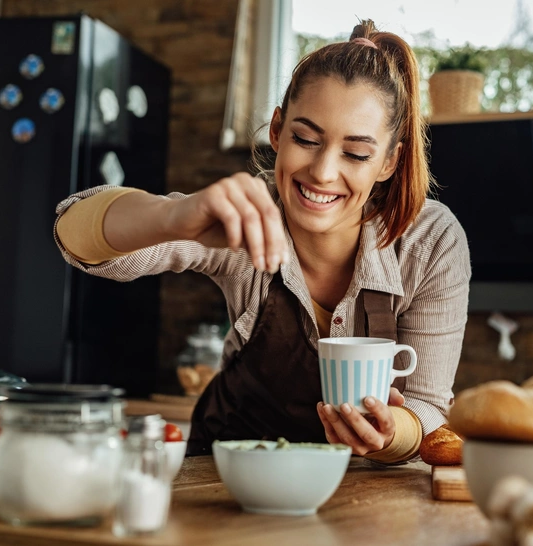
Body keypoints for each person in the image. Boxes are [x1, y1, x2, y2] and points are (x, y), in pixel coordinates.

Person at [54, 19, 471, 464]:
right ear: (277, 130)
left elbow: (427, 408)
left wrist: (391, 436)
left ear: (389, 161)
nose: (324, 172)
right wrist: (173, 215)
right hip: (228, 473)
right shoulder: (246, 215)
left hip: (361, 488)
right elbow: (72, 233)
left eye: (356, 153)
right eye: (305, 139)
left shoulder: (430, 241)